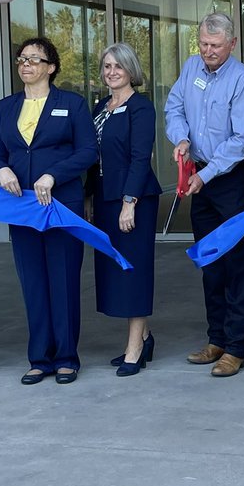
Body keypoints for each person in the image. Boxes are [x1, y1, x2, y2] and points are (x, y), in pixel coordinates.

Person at [0, 37, 97, 385]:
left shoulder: (72, 104)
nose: (26, 64)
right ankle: (39, 359)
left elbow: (88, 151)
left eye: (35, 59)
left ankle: (66, 358)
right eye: (22, 59)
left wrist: (53, 175)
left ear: (51, 67)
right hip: (22, 207)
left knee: (62, 280)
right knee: (32, 282)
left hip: (60, 203)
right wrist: (2, 170)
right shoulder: (6, 106)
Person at [165, 12, 244, 377]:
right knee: (210, 263)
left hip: (230, 181)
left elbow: (239, 140)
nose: (208, 51)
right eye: (203, 44)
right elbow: (174, 107)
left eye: (216, 46)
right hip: (199, 176)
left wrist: (204, 175)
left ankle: (236, 347)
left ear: (231, 44)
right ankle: (216, 338)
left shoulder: (242, 79)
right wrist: (181, 138)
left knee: (237, 266)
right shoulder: (191, 67)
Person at [90, 43, 161, 377]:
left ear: (131, 70)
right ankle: (144, 338)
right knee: (114, 271)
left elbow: (140, 157)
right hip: (105, 197)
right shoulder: (100, 107)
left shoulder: (140, 108)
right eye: (107, 66)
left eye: (118, 66)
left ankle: (135, 348)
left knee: (133, 271)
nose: (112, 72)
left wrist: (129, 202)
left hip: (134, 200)